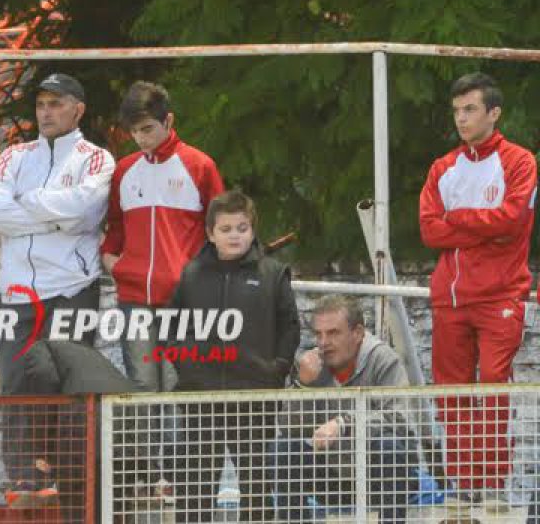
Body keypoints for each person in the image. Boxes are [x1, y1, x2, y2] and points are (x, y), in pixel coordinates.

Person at [0, 72, 115, 510]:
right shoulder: (14, 155)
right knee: (19, 382)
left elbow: (83, 211)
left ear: (78, 109)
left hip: (73, 287)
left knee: (71, 387)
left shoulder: (96, 158)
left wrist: (29, 202)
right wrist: (53, 211)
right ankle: (24, 480)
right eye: (41, 103)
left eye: (56, 103)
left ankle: (70, 479)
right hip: (18, 291)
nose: (46, 112)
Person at [418, 71, 536, 509]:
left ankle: (492, 486)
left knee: (492, 388)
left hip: (501, 295)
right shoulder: (442, 168)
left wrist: (457, 223)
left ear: (494, 112)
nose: (461, 119)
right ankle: (463, 486)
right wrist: (480, 228)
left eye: (470, 110)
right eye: (456, 111)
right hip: (449, 298)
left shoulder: (520, 161)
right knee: (451, 393)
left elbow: (513, 221)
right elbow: (429, 232)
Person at [167, 190, 300, 522]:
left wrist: (277, 370)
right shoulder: (191, 274)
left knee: (256, 492)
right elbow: (171, 327)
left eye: (242, 228)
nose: (234, 235)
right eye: (226, 229)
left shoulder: (273, 273)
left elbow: (290, 328)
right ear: (211, 233)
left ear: (252, 230)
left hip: (255, 398)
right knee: (194, 493)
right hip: (201, 398)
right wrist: (186, 366)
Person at [101, 80, 224, 393]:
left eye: (147, 129)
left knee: (176, 384)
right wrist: (112, 260)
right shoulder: (124, 170)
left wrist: (202, 277)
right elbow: (116, 225)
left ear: (168, 121)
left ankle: (179, 446)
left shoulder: (199, 165)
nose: (140, 139)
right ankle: (144, 446)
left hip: (183, 296)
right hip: (134, 297)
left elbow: (221, 228)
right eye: (134, 131)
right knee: (141, 386)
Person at [275, 295, 419, 524]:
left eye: (333, 333)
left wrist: (343, 424)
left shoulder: (382, 359)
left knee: (389, 446)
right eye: (318, 334)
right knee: (283, 450)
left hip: (378, 474)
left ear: (358, 333)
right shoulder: (310, 365)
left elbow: (399, 417)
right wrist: (303, 386)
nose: (323, 342)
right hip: (330, 474)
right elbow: (287, 428)